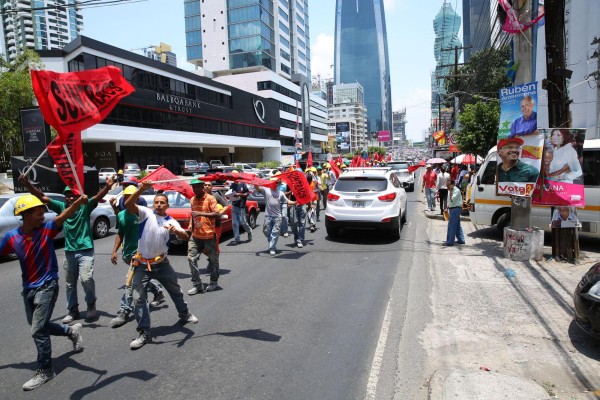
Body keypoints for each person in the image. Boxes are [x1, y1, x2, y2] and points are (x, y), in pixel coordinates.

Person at [0, 194, 87, 391]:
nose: (43, 217)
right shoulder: (11, 237)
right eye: (39, 214)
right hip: (28, 288)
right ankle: (70, 331)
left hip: (48, 285)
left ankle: (45, 370)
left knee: (38, 329)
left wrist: (77, 202)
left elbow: (62, 217)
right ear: (26, 215)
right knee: (39, 325)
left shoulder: (47, 230)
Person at [20, 175, 114, 324]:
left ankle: (91, 303)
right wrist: (28, 184)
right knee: (70, 283)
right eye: (68, 196)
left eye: (73, 196)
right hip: (70, 250)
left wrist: (108, 187)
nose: (70, 198)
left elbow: (97, 197)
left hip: (85, 249)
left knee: (86, 278)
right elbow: (42, 197)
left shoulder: (85, 205)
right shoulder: (61, 207)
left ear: (78, 196)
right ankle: (73, 310)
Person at [125, 181, 198, 349]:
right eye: (156, 202)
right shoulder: (145, 214)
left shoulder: (171, 221)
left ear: (167, 205)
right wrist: (141, 189)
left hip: (162, 264)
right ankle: (144, 332)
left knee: (175, 291)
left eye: (162, 202)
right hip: (142, 265)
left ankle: (184, 314)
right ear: (153, 204)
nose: (158, 205)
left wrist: (176, 231)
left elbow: (186, 237)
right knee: (138, 299)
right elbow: (128, 204)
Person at [109, 185, 165, 328]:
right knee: (139, 279)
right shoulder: (121, 215)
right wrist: (114, 251)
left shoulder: (143, 214)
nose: (129, 199)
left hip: (140, 254)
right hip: (127, 254)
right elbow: (120, 233)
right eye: (126, 197)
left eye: (132, 197)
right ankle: (158, 291)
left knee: (129, 282)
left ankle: (124, 310)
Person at [187, 178, 222, 295]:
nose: (195, 189)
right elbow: (193, 215)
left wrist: (201, 213)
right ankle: (197, 285)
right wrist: (190, 226)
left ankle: (213, 282)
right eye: (193, 187)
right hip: (195, 235)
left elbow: (217, 214)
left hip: (208, 235)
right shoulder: (192, 199)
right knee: (191, 258)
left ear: (203, 187)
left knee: (213, 259)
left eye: (197, 187)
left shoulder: (210, 199)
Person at [254, 176, 290, 255]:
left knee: (275, 232)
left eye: (276, 182)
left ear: (278, 184)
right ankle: (272, 243)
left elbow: (287, 201)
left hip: (277, 217)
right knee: (266, 231)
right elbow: (257, 188)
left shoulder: (280, 193)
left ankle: (272, 248)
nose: (275, 184)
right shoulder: (266, 190)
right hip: (268, 216)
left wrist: (295, 202)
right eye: (273, 182)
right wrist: (255, 180)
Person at [229, 175, 252, 244]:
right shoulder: (232, 185)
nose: (234, 179)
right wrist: (229, 196)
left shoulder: (243, 184)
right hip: (234, 206)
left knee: (243, 222)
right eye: (233, 178)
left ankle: (249, 231)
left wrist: (240, 194)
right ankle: (237, 239)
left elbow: (247, 193)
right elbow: (230, 194)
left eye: (235, 178)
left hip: (241, 206)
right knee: (234, 223)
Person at [443, 180, 465, 246]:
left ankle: (450, 242)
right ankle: (461, 240)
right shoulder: (450, 190)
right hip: (452, 208)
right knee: (457, 225)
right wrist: (447, 207)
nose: (447, 187)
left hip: (456, 209)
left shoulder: (456, 190)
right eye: (446, 186)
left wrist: (451, 191)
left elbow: (452, 199)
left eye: (448, 185)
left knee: (451, 225)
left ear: (452, 185)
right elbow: (449, 201)